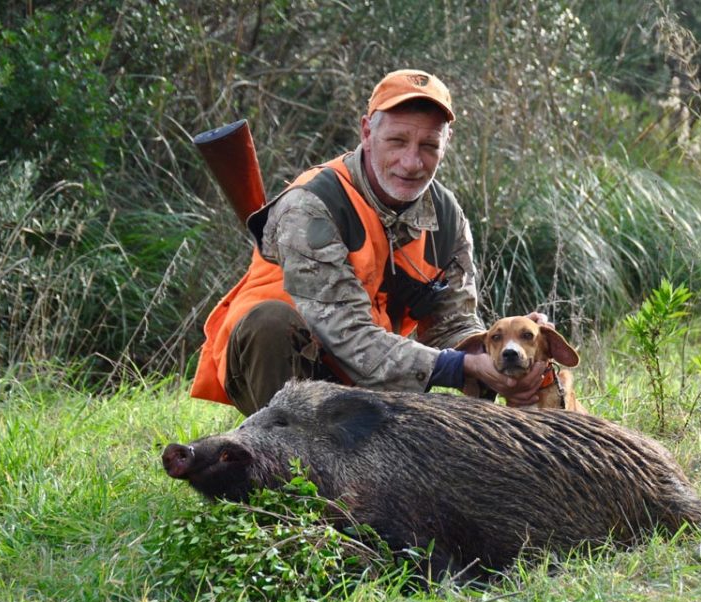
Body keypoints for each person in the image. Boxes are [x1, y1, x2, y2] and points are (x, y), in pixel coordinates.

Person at [190, 68, 551, 414]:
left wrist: (504, 344)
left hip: (374, 378)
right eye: (397, 141)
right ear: (366, 132)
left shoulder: (446, 215)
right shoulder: (311, 205)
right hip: (288, 363)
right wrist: (457, 366)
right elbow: (344, 335)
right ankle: (278, 456)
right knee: (269, 322)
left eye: (429, 145)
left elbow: (453, 323)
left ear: (447, 143)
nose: (411, 162)